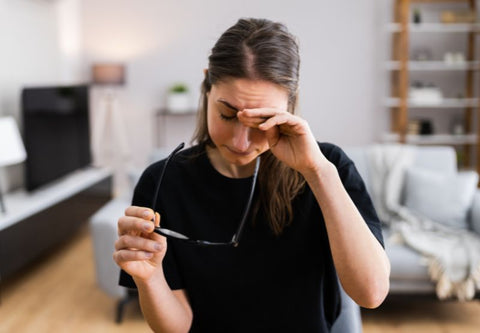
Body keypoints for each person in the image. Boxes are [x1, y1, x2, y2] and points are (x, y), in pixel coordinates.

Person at [114, 18, 390, 333]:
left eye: (262, 121)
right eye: (227, 115)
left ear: (290, 103)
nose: (240, 142)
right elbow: (178, 327)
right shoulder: (162, 181)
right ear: (207, 85)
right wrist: (150, 278)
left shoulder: (330, 167)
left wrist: (318, 173)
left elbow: (371, 293)